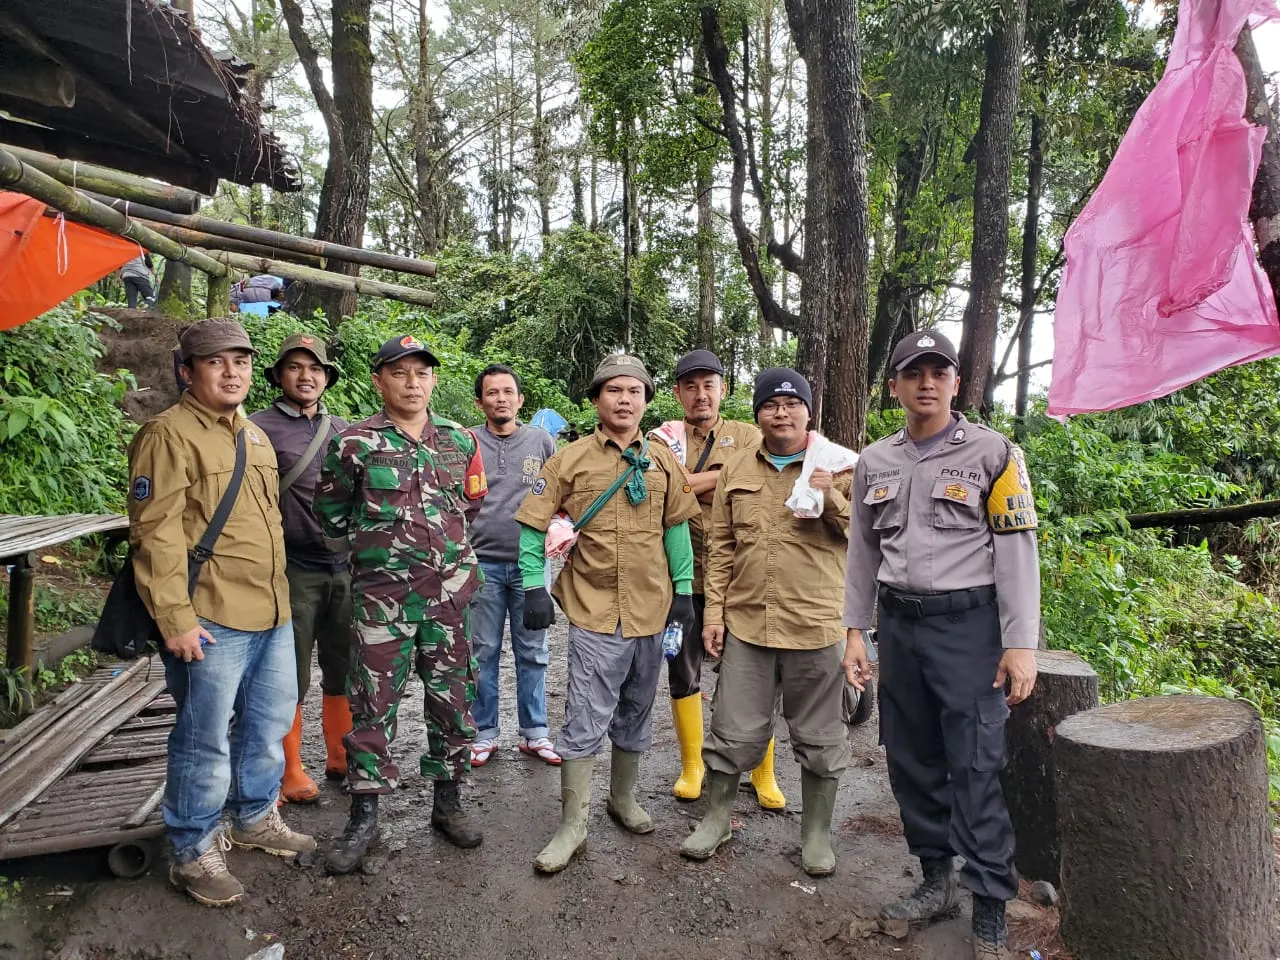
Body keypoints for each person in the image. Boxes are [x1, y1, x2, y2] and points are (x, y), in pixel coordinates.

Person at [843, 330, 1040, 960]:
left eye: (939, 371)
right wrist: (855, 631)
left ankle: (989, 909)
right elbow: (862, 553)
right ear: (895, 385)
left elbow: (1016, 551)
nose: (927, 382)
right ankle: (936, 881)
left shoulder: (994, 453)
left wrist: (1021, 643)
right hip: (899, 629)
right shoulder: (875, 460)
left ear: (958, 382)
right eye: (913, 372)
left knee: (975, 764)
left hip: (969, 630)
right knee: (911, 756)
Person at [127, 318, 314, 907]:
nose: (233, 372)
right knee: (203, 737)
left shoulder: (253, 435)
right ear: (187, 371)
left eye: (241, 361)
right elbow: (153, 534)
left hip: (273, 609)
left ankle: (254, 815)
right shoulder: (168, 434)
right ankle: (192, 848)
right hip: (211, 615)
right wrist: (174, 617)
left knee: (268, 724)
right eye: (216, 362)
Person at [515, 354, 700, 874]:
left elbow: (677, 528)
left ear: (646, 400)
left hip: (653, 610)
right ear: (597, 400)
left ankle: (623, 798)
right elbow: (533, 526)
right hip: (596, 609)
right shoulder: (568, 460)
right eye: (614, 390)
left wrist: (683, 593)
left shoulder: (663, 459)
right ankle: (573, 824)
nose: (625, 399)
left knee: (638, 708)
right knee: (585, 716)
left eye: (635, 391)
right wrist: (534, 587)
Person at [313, 334, 489, 874]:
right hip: (382, 604)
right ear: (378, 380)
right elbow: (332, 516)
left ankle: (448, 802)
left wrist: (447, 563)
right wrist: (383, 558)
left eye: (422, 373)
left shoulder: (460, 441)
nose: (412, 383)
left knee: (454, 703)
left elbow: (472, 506)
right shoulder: (355, 443)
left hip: (449, 603)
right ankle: (364, 818)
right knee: (372, 710)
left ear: (433, 380)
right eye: (400, 373)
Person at [680, 368, 853, 876]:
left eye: (792, 403)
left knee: (821, 737)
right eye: (771, 405)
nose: (782, 412)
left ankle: (816, 837)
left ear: (808, 411)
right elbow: (721, 547)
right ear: (757, 414)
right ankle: (715, 821)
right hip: (749, 626)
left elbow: (869, 538)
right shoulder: (735, 466)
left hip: (816, 625)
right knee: (732, 730)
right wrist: (714, 613)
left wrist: (831, 499)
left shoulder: (838, 465)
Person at [647, 350, 785, 809]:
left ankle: (763, 772)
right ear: (677, 393)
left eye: (709, 384)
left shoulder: (748, 435)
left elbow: (759, 479)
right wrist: (714, 476)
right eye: (690, 386)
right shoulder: (661, 438)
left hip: (741, 580)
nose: (700, 394)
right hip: (679, 583)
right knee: (681, 668)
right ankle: (693, 765)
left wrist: (690, 478)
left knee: (752, 678)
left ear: (724, 389)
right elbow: (662, 489)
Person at [249, 333, 352, 803]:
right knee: (289, 672)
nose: (306, 376)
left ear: (327, 377)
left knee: (344, 666)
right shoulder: (255, 429)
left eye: (315, 369)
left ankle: (341, 754)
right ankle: (290, 768)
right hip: (292, 570)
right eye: (294, 367)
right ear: (279, 375)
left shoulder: (346, 430)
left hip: (346, 567)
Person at [468, 364, 560, 767]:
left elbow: (561, 496)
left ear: (521, 400)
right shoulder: (466, 441)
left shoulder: (542, 442)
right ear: (480, 401)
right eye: (492, 393)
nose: (501, 399)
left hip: (532, 566)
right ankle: (484, 733)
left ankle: (535, 732)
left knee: (534, 651)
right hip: (481, 563)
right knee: (482, 651)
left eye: (508, 391)